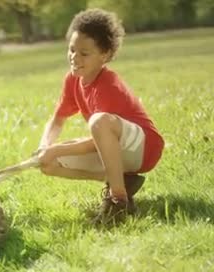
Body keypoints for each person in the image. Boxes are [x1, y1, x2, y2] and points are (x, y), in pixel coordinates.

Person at [35, 9, 164, 224]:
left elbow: (99, 136)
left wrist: (56, 149)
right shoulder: (73, 80)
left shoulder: (109, 85)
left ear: (104, 55)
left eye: (84, 53)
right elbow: (58, 119)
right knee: (48, 163)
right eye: (71, 50)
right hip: (116, 150)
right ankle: (120, 181)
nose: (74, 58)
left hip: (143, 148)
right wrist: (44, 146)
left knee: (98, 122)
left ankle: (119, 202)